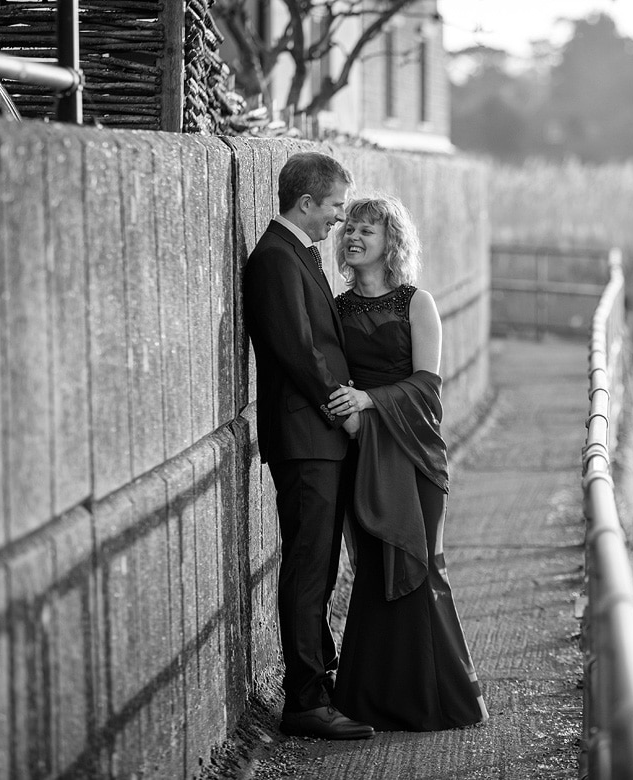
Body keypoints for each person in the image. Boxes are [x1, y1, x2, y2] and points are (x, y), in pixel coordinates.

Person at [325, 195, 489, 731]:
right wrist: (355, 414)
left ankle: (438, 702)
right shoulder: (337, 307)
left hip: (415, 453)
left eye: (367, 230)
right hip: (364, 453)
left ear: (390, 241)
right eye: (349, 227)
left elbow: (427, 388)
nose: (354, 236)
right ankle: (371, 701)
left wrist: (371, 401)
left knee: (422, 569)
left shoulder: (417, 304)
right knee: (374, 573)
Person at [242, 152, 374, 741]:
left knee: (318, 566)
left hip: (315, 438)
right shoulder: (275, 258)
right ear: (306, 203)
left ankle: (319, 682)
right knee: (306, 567)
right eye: (335, 209)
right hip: (305, 437)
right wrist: (341, 408)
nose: (338, 222)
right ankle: (304, 700)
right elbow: (299, 350)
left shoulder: (298, 253)